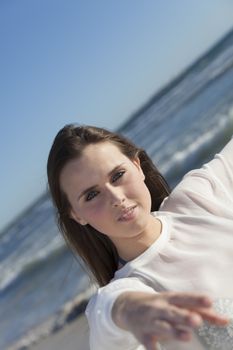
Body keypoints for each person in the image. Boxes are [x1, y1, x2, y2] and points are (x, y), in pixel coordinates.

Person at [47, 124, 233, 350]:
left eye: (117, 175)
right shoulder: (128, 291)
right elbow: (110, 310)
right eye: (92, 194)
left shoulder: (198, 199)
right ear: (77, 215)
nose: (116, 197)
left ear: (137, 166)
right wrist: (129, 310)